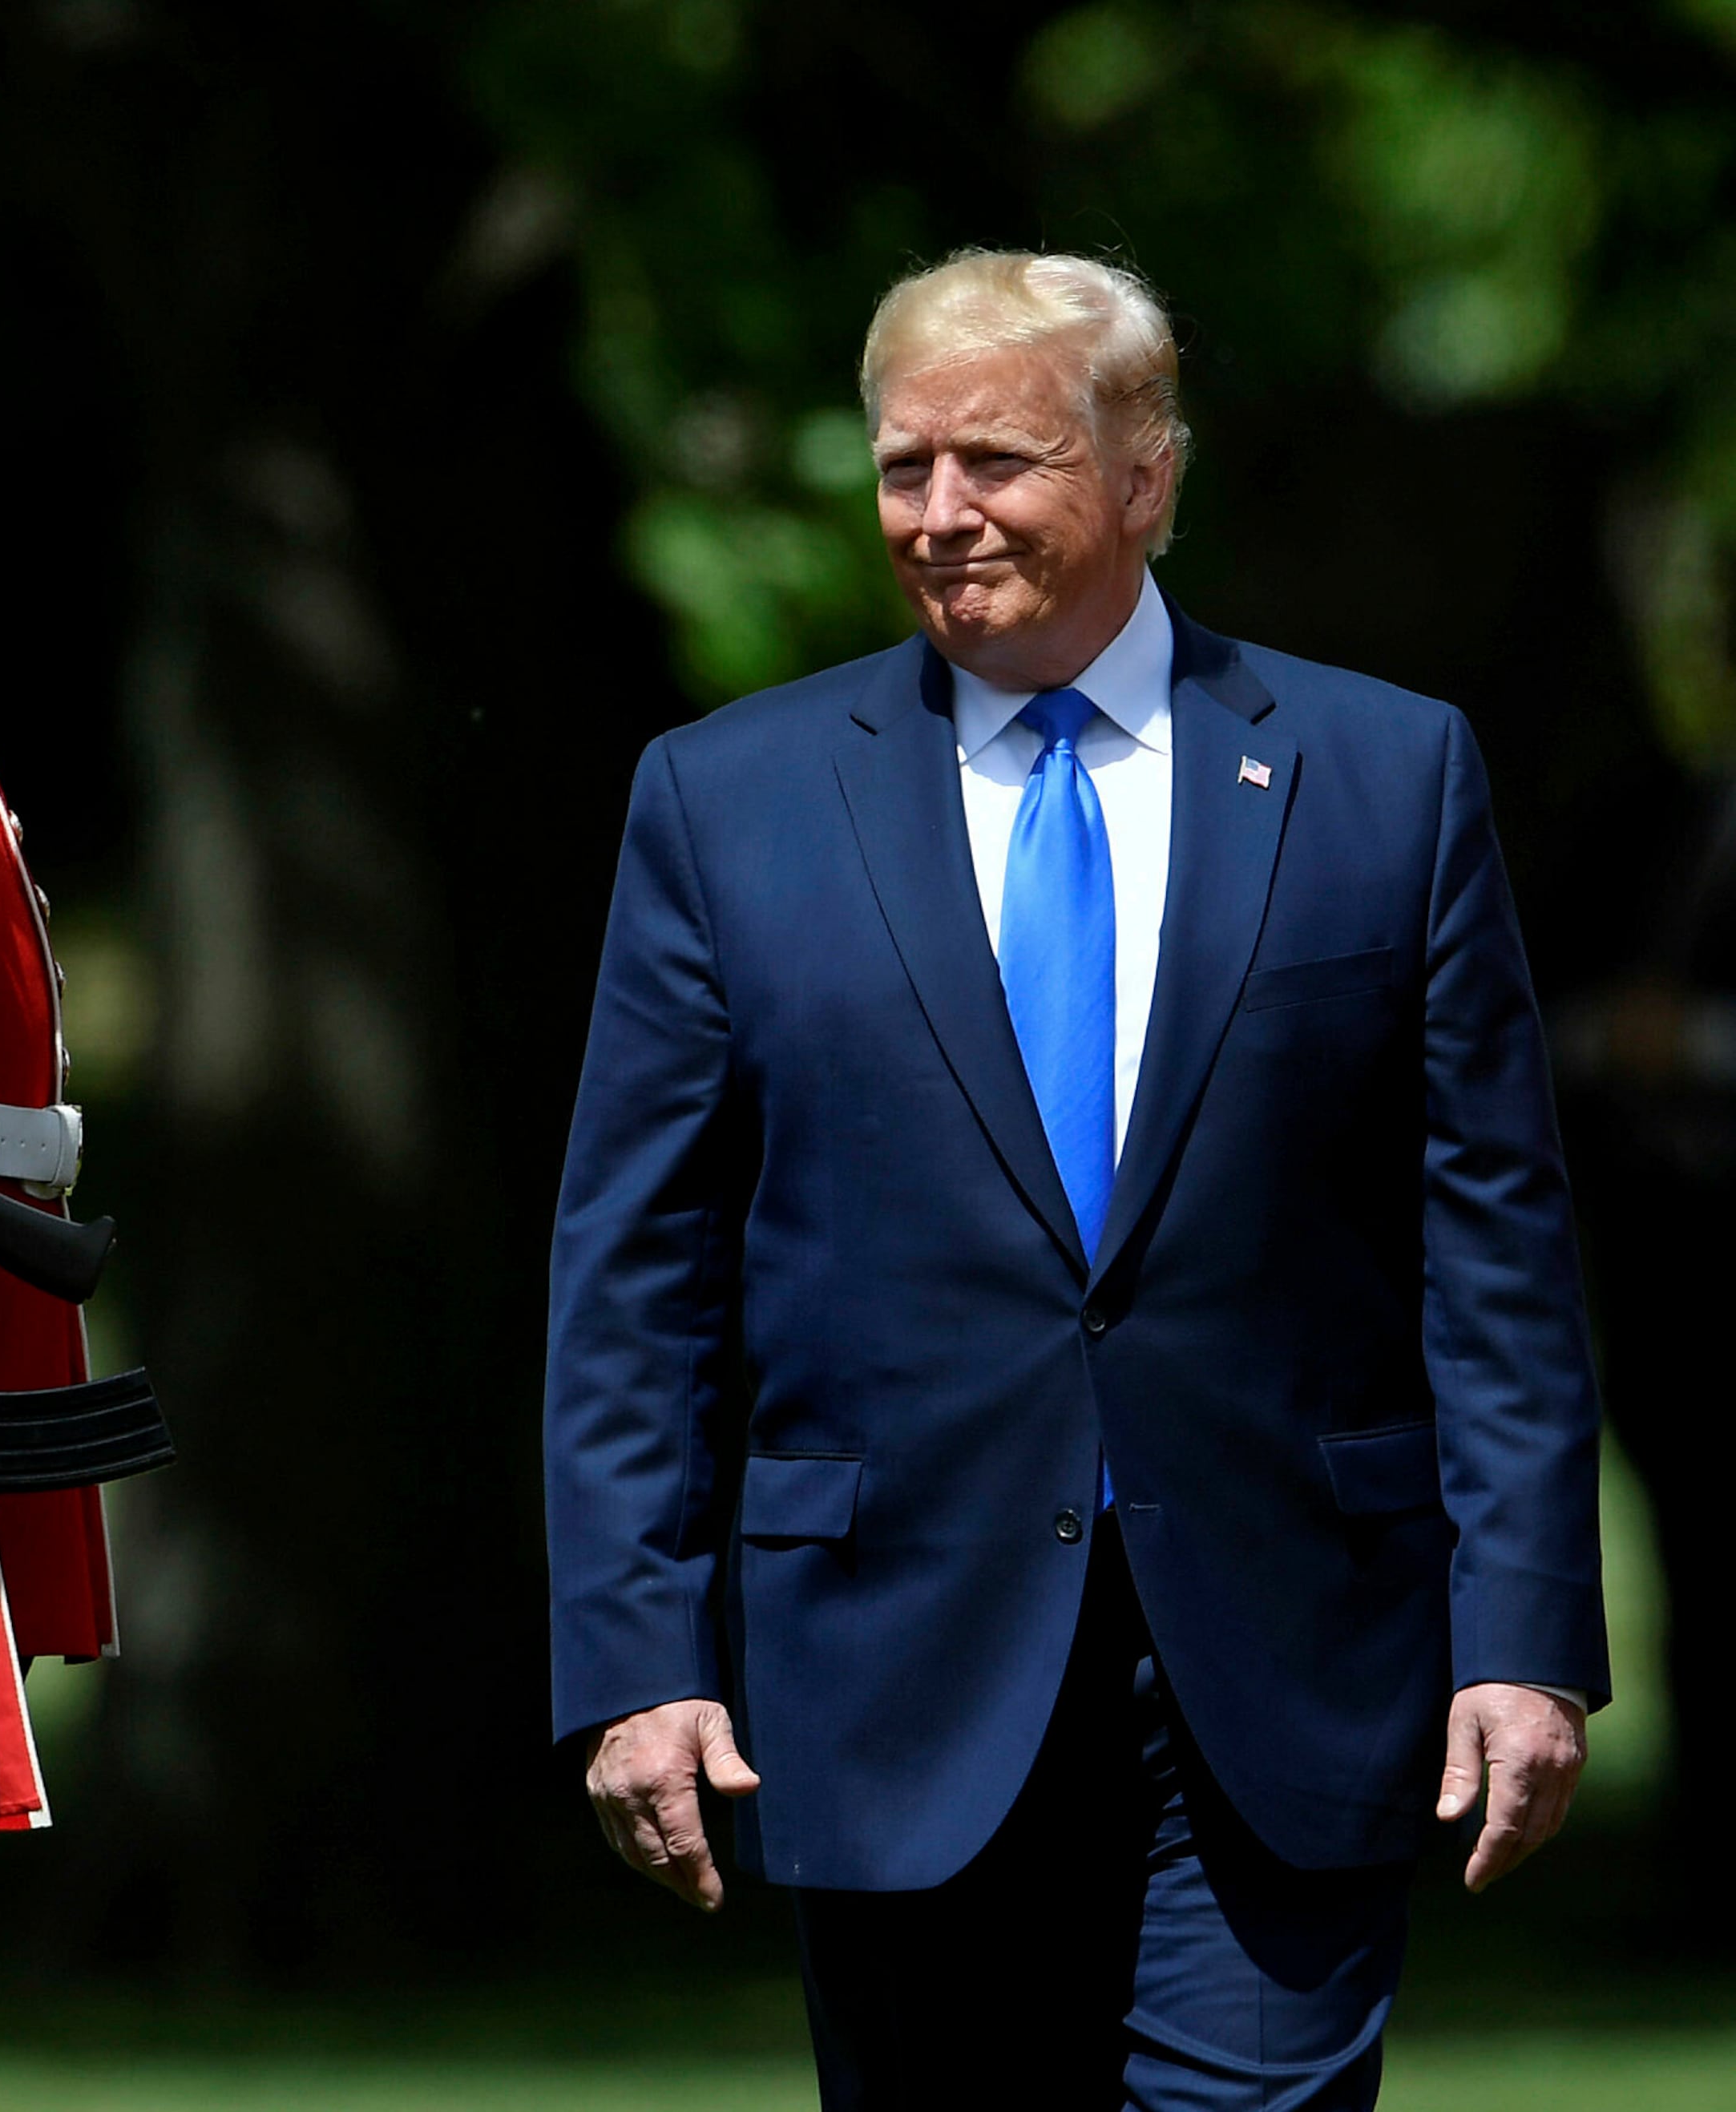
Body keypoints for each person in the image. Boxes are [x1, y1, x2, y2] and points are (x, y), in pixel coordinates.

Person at [543, 249, 1609, 2109]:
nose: (939, 514)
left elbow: (1491, 1251)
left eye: (997, 461)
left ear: (1146, 475)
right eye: (901, 467)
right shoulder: (728, 801)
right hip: (892, 1666)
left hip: (1285, 1663)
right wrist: (639, 1658)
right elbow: (636, 1279)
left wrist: (1526, 1638)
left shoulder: (1384, 776)